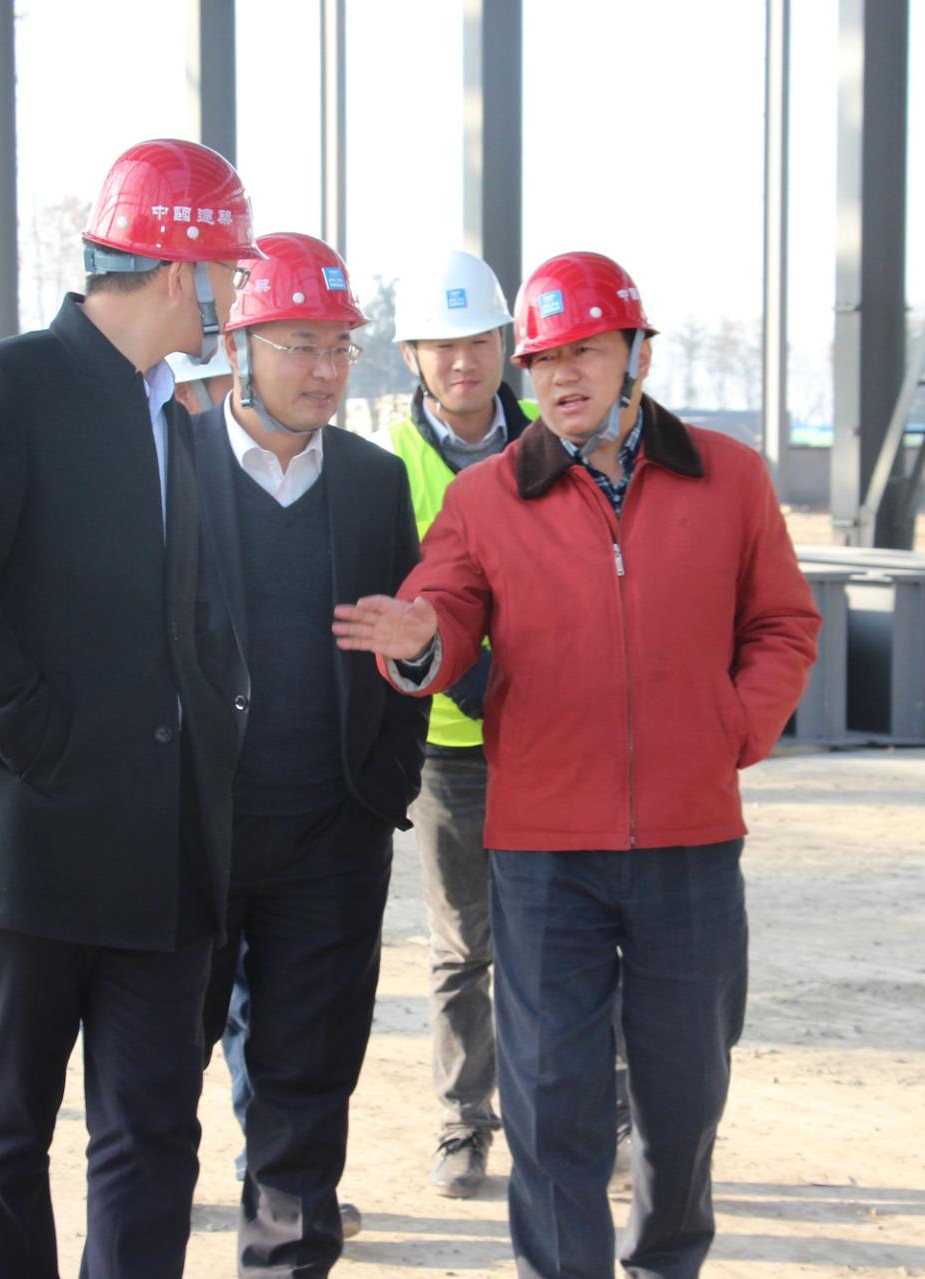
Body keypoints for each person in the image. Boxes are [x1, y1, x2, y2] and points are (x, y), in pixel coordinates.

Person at [333, 250, 819, 1277]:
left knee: (684, 1095)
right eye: (546, 358)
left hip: (690, 839)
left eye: (586, 352)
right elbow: (446, 608)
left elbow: (782, 622)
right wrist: (422, 639)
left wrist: (734, 728)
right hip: (544, 849)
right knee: (552, 1098)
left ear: (638, 354)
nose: (561, 376)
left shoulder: (729, 477)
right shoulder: (487, 497)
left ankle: (666, 1261)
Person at [0, 138, 254, 1278]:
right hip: (32, 849)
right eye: (230, 271)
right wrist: (40, 736)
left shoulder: (176, 419)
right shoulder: (6, 388)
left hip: (162, 860)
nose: (236, 294)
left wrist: (211, 757)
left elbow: (195, 616)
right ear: (180, 270)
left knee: (153, 1132)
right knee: (8, 1130)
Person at [189, 231, 427, 1274]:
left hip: (331, 840)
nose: (325, 370)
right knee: (152, 1095)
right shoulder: (171, 461)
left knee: (307, 1091)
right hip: (189, 841)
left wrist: (382, 787)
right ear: (239, 346)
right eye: (299, 344)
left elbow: (407, 645)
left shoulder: (375, 482)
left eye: (339, 346)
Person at [386, 248, 538, 1197]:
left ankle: (596, 1110)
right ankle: (463, 1123)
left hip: (550, 739)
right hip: (449, 747)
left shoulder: (553, 446)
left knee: (568, 935)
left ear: (506, 344)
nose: (462, 360)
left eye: (478, 340)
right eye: (442, 345)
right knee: (462, 947)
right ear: (411, 354)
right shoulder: (384, 464)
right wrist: (470, 676)